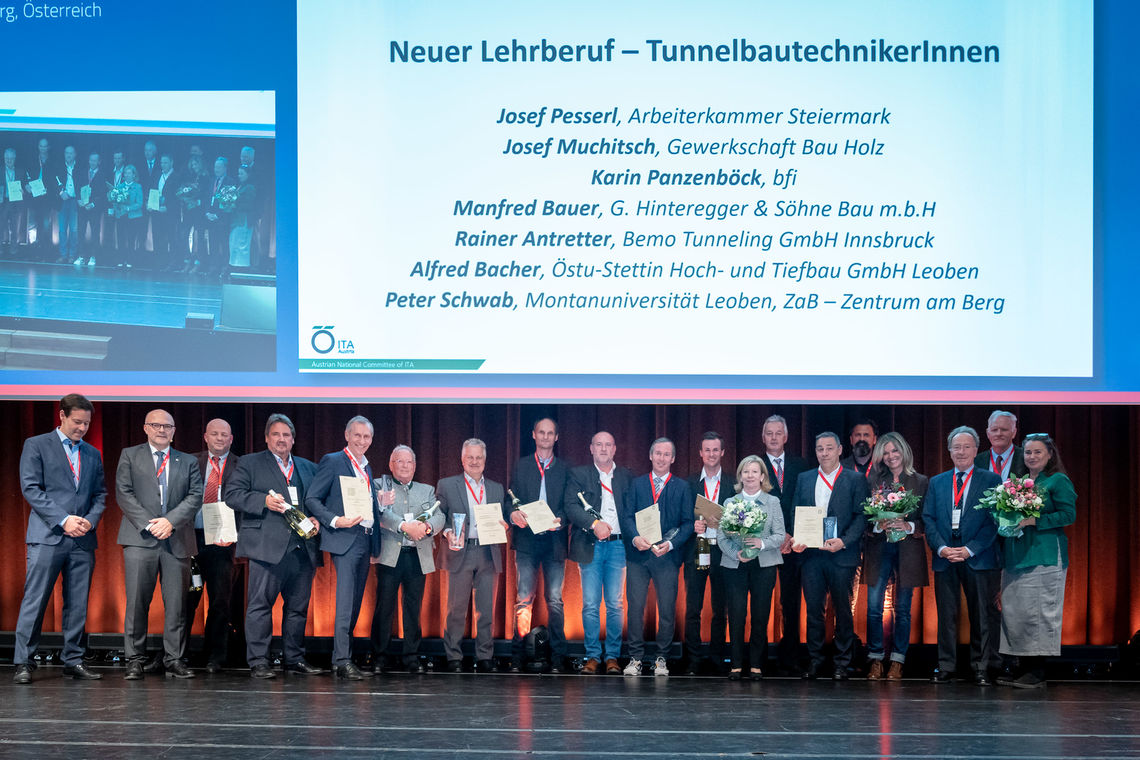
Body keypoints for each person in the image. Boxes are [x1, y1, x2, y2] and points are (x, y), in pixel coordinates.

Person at [12, 394, 107, 684]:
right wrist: (64, 520)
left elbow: (100, 494)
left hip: (82, 539)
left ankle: (73, 660)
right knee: (36, 599)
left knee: (77, 603)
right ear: (62, 415)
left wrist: (89, 521)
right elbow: (31, 488)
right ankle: (24, 662)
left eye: (86, 423)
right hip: (47, 536)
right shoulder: (37, 445)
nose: (82, 428)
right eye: (77, 422)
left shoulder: (92, 453)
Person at [223, 413, 322, 679]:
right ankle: (259, 661)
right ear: (267, 438)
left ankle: (294, 659)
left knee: (298, 609)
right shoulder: (250, 463)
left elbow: (318, 501)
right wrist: (263, 502)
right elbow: (232, 495)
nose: (281, 439)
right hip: (266, 548)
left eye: (286, 435)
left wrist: (317, 518)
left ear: (293, 439)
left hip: (303, 548)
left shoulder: (308, 467)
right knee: (260, 606)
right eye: (276, 434)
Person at [115, 409, 203, 680]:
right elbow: (123, 493)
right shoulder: (130, 455)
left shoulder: (188, 461)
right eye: (156, 425)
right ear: (145, 428)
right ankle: (134, 659)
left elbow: (195, 496)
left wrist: (170, 522)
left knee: (177, 604)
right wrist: (150, 524)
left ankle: (174, 659)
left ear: (174, 431)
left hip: (177, 540)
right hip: (140, 539)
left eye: (167, 426)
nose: (162, 430)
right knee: (137, 602)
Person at [996, 433, 1076, 689]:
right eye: (1028, 452)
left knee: (1039, 613)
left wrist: (1035, 521)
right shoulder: (1018, 483)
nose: (1031, 456)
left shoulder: (1057, 480)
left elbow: (1069, 515)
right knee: (1017, 613)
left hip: (1044, 555)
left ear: (1050, 454)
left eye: (1038, 452)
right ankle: (1022, 666)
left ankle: (1038, 670)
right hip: (1016, 555)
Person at [923, 425, 1002, 685]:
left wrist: (969, 549)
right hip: (945, 557)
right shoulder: (937, 482)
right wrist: (941, 548)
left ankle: (981, 667)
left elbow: (993, 521)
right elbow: (928, 518)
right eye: (956, 447)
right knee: (946, 615)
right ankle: (946, 666)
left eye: (967, 447)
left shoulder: (991, 480)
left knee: (981, 615)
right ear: (949, 451)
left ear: (976, 450)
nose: (961, 451)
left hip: (977, 557)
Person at [305, 416, 381, 680]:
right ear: (347, 435)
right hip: (345, 537)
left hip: (365, 538)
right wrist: (335, 520)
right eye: (357, 435)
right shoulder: (333, 460)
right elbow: (312, 499)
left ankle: (342, 659)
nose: (362, 441)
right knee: (346, 602)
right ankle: (342, 659)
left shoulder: (366, 467)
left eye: (367, 437)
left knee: (356, 602)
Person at [791, 432, 869, 680]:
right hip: (811, 556)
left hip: (842, 555)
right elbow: (796, 512)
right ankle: (815, 660)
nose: (824, 453)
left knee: (843, 610)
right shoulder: (804, 478)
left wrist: (844, 541)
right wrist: (797, 538)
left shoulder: (855, 479)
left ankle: (842, 663)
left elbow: (862, 516)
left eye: (829, 448)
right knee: (814, 611)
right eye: (819, 449)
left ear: (840, 450)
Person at [620, 437, 694, 676]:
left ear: (673, 459)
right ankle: (635, 658)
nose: (662, 458)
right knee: (635, 608)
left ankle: (662, 658)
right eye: (658, 453)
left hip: (667, 557)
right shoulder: (637, 484)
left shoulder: (682, 487)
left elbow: (688, 523)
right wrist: (635, 538)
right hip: (639, 556)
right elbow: (627, 517)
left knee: (667, 609)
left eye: (666, 454)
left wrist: (671, 545)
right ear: (650, 456)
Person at [563, 431, 632, 675]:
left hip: (618, 546)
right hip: (590, 545)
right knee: (591, 604)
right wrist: (594, 525)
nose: (603, 449)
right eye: (599, 444)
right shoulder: (579, 474)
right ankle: (592, 655)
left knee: (615, 604)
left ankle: (612, 656)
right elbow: (570, 506)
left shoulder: (626, 476)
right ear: (591, 448)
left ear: (615, 449)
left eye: (608, 445)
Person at [862, 432, 929, 680]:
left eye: (894, 451)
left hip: (908, 550)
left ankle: (898, 660)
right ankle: (875, 658)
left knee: (902, 608)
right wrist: (878, 524)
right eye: (886, 452)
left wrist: (908, 526)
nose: (890, 456)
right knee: (873, 607)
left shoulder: (921, 481)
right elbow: (863, 519)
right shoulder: (873, 480)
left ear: (904, 451)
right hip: (879, 549)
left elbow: (928, 519)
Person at [370, 445, 442, 674]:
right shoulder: (379, 485)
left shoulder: (426, 490)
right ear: (391, 465)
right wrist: (404, 526)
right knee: (384, 607)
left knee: (413, 607)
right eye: (399, 461)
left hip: (417, 556)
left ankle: (411, 656)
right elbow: (379, 513)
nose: (404, 465)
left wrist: (428, 527)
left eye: (408, 462)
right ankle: (380, 656)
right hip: (389, 556)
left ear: (415, 466)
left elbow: (440, 515)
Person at [438, 438, 508, 672]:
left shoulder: (497, 488)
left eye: (479, 457)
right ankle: (453, 657)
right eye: (470, 457)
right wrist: (448, 532)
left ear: (485, 460)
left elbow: (504, 518)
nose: (475, 461)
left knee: (486, 610)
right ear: (462, 459)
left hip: (488, 551)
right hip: (460, 551)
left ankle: (485, 656)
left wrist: (505, 525)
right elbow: (439, 517)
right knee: (456, 609)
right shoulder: (447, 485)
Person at [507, 417, 569, 673]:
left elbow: (569, 506)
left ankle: (558, 658)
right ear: (533, 435)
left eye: (550, 433)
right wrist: (513, 514)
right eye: (541, 432)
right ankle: (517, 657)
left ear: (556, 437)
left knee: (555, 600)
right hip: (527, 540)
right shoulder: (521, 465)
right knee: (523, 599)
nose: (545, 437)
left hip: (554, 541)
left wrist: (561, 520)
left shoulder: (565, 468)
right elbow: (510, 499)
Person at [714, 455, 784, 680]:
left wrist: (760, 544)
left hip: (764, 565)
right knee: (736, 614)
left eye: (755, 472)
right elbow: (721, 537)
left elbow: (780, 535)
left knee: (760, 615)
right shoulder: (730, 502)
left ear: (762, 476)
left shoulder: (772, 502)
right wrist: (736, 553)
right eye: (746, 472)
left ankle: (756, 664)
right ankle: (735, 664)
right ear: (740, 476)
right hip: (735, 565)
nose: (750, 476)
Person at [186, 418, 241, 672]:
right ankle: (176, 654)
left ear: (231, 439)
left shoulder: (242, 465)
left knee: (220, 601)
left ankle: (215, 656)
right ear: (205, 437)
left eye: (224, 435)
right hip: (191, 539)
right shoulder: (189, 462)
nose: (219, 438)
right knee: (187, 599)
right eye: (215, 434)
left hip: (224, 541)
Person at [761, 414, 812, 674]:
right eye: (769, 433)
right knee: (761, 602)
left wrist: (790, 534)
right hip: (765, 544)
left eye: (778, 433)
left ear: (786, 436)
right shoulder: (754, 465)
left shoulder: (801, 465)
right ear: (763, 437)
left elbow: (805, 501)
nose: (773, 437)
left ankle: (790, 656)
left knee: (791, 603)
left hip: (794, 543)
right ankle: (758, 659)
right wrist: (776, 535)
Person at [682, 431, 735, 675]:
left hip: (723, 552)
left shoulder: (734, 484)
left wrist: (724, 524)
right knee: (693, 608)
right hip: (697, 549)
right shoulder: (689, 483)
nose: (711, 454)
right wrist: (693, 525)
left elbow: (739, 520)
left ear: (722, 452)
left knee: (720, 609)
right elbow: (682, 516)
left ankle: (716, 658)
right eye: (707, 450)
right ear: (700, 453)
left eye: (716, 450)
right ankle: (693, 659)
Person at [175, 154, 208, 273]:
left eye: (196, 164)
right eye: (192, 164)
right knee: (184, 234)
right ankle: (187, 261)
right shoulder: (190, 176)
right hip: (188, 211)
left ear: (201, 164)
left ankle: (199, 262)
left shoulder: (205, 177)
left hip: (199, 211)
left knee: (199, 237)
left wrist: (197, 201)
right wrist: (185, 197)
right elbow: (184, 189)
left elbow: (207, 194)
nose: (194, 166)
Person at [976, 410, 1028, 480]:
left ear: (1014, 432)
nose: (999, 434)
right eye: (994, 430)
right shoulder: (977, 461)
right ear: (988, 433)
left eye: (1004, 429)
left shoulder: (1026, 458)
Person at [74, 151, 106, 267]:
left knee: (95, 233)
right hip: (82, 207)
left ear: (99, 162)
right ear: (88, 161)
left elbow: (103, 193)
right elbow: (77, 187)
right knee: (80, 232)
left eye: (95, 160)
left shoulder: (102, 174)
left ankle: (93, 256)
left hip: (94, 209)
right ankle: (81, 256)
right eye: (91, 160)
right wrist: (78, 199)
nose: (92, 162)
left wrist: (93, 204)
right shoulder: (83, 173)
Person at [149, 154, 179, 271]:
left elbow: (177, 197)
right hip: (157, 212)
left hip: (169, 214)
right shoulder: (157, 175)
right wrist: (151, 204)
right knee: (157, 237)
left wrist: (168, 208)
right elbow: (153, 190)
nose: (163, 165)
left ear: (171, 163)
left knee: (171, 238)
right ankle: (159, 262)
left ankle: (172, 262)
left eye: (165, 163)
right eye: (162, 163)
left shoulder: (176, 177)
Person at [111, 164, 143, 269]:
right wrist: (117, 209)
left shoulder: (138, 187)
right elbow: (115, 200)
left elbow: (140, 203)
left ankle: (130, 260)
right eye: (125, 173)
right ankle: (120, 260)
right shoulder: (120, 186)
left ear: (134, 175)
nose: (127, 175)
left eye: (129, 173)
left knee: (131, 239)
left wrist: (128, 208)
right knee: (120, 238)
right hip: (121, 216)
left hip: (133, 217)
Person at [203, 157, 232, 274]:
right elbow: (207, 197)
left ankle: (225, 266)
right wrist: (207, 212)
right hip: (210, 217)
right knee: (212, 242)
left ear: (225, 168)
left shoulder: (230, 181)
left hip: (222, 219)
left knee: (224, 243)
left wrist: (218, 215)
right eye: (215, 167)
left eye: (219, 167)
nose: (216, 169)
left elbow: (228, 202)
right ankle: (214, 265)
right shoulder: (212, 180)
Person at [54, 145, 80, 264]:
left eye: (71, 153)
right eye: (66, 153)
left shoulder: (80, 167)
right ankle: (63, 255)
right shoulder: (59, 166)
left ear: (75, 154)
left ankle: (72, 255)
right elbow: (53, 181)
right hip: (63, 201)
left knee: (74, 230)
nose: (68, 155)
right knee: (62, 229)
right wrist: (61, 192)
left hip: (75, 201)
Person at [228, 164, 256, 271]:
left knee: (242, 243)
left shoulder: (250, 187)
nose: (239, 175)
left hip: (244, 219)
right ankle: (235, 266)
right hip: (236, 219)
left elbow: (250, 204)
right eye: (238, 173)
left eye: (241, 173)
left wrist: (235, 204)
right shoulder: (240, 186)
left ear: (248, 174)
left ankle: (242, 267)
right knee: (234, 242)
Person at [1, 148, 23, 256]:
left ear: (15, 159)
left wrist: (23, 190)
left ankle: (14, 248)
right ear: (4, 158)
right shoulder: (0, 170)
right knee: (1, 226)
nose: (9, 160)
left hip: (15, 202)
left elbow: (25, 185)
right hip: (3, 202)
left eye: (11, 158)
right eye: (7, 158)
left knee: (15, 227)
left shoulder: (20, 171)